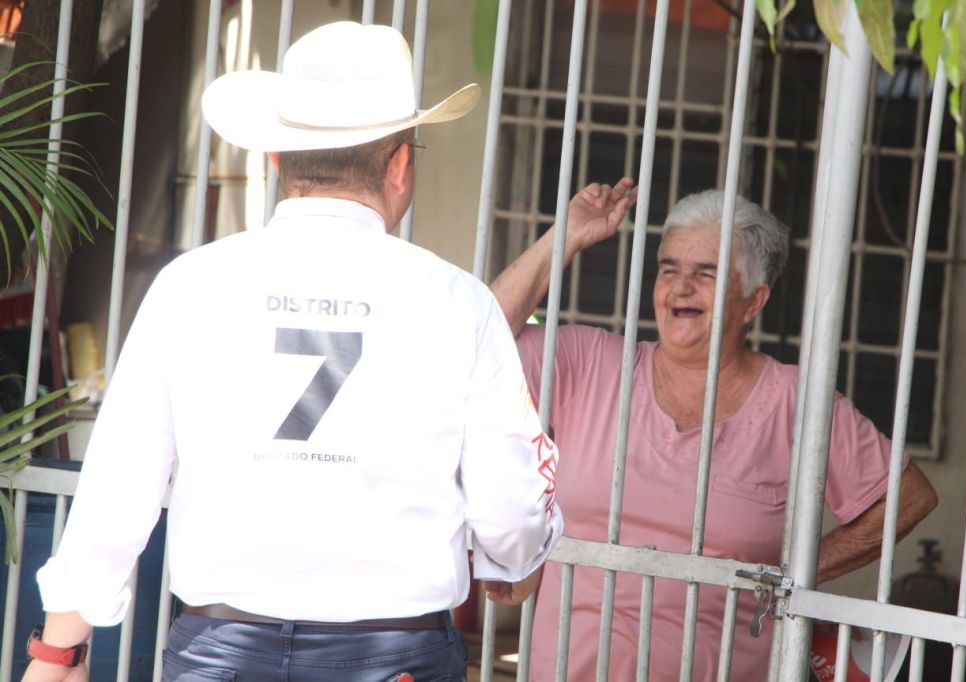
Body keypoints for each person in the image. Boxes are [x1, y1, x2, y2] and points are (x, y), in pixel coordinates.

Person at [23, 21, 563, 682]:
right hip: (395, 658)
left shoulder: (191, 286)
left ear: (277, 158)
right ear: (400, 165)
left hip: (220, 652)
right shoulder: (458, 302)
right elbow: (511, 505)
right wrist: (514, 560)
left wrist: (59, 654)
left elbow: (117, 486)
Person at [489, 180, 938, 681]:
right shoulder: (591, 363)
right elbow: (474, 343)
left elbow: (909, 498)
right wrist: (565, 237)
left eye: (706, 274)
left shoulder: (795, 402)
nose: (681, 287)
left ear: (753, 301)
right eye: (669, 270)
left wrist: (796, 574)